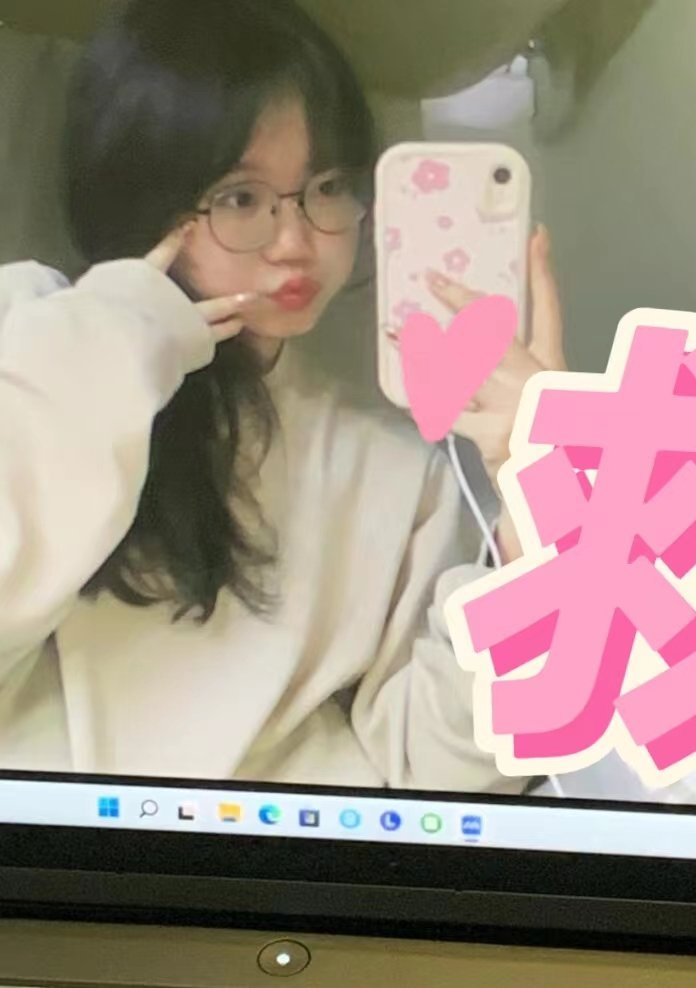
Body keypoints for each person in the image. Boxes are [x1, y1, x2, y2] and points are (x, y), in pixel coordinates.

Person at [0, 0, 564, 791]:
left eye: (327, 187)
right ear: (141, 195)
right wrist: (123, 325)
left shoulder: (401, 471)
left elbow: (438, 775)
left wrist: (540, 503)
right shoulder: (32, 335)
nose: (297, 242)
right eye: (241, 197)